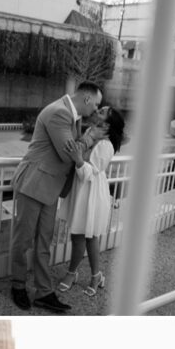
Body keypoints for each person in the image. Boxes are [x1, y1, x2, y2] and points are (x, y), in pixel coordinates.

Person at [9, 81, 104, 313]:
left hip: (50, 187)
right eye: (97, 105)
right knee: (23, 239)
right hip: (34, 183)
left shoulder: (73, 116)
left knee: (44, 242)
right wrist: (91, 137)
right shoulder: (60, 113)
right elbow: (67, 153)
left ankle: (43, 292)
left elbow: (73, 151)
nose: (96, 111)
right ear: (87, 99)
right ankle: (18, 285)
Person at [57, 106, 126, 299]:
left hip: (92, 193)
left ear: (107, 123)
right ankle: (73, 273)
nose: (98, 109)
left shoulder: (106, 145)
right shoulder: (91, 132)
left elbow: (90, 173)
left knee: (90, 237)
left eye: (103, 111)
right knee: (77, 235)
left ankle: (96, 276)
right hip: (79, 191)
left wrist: (78, 160)